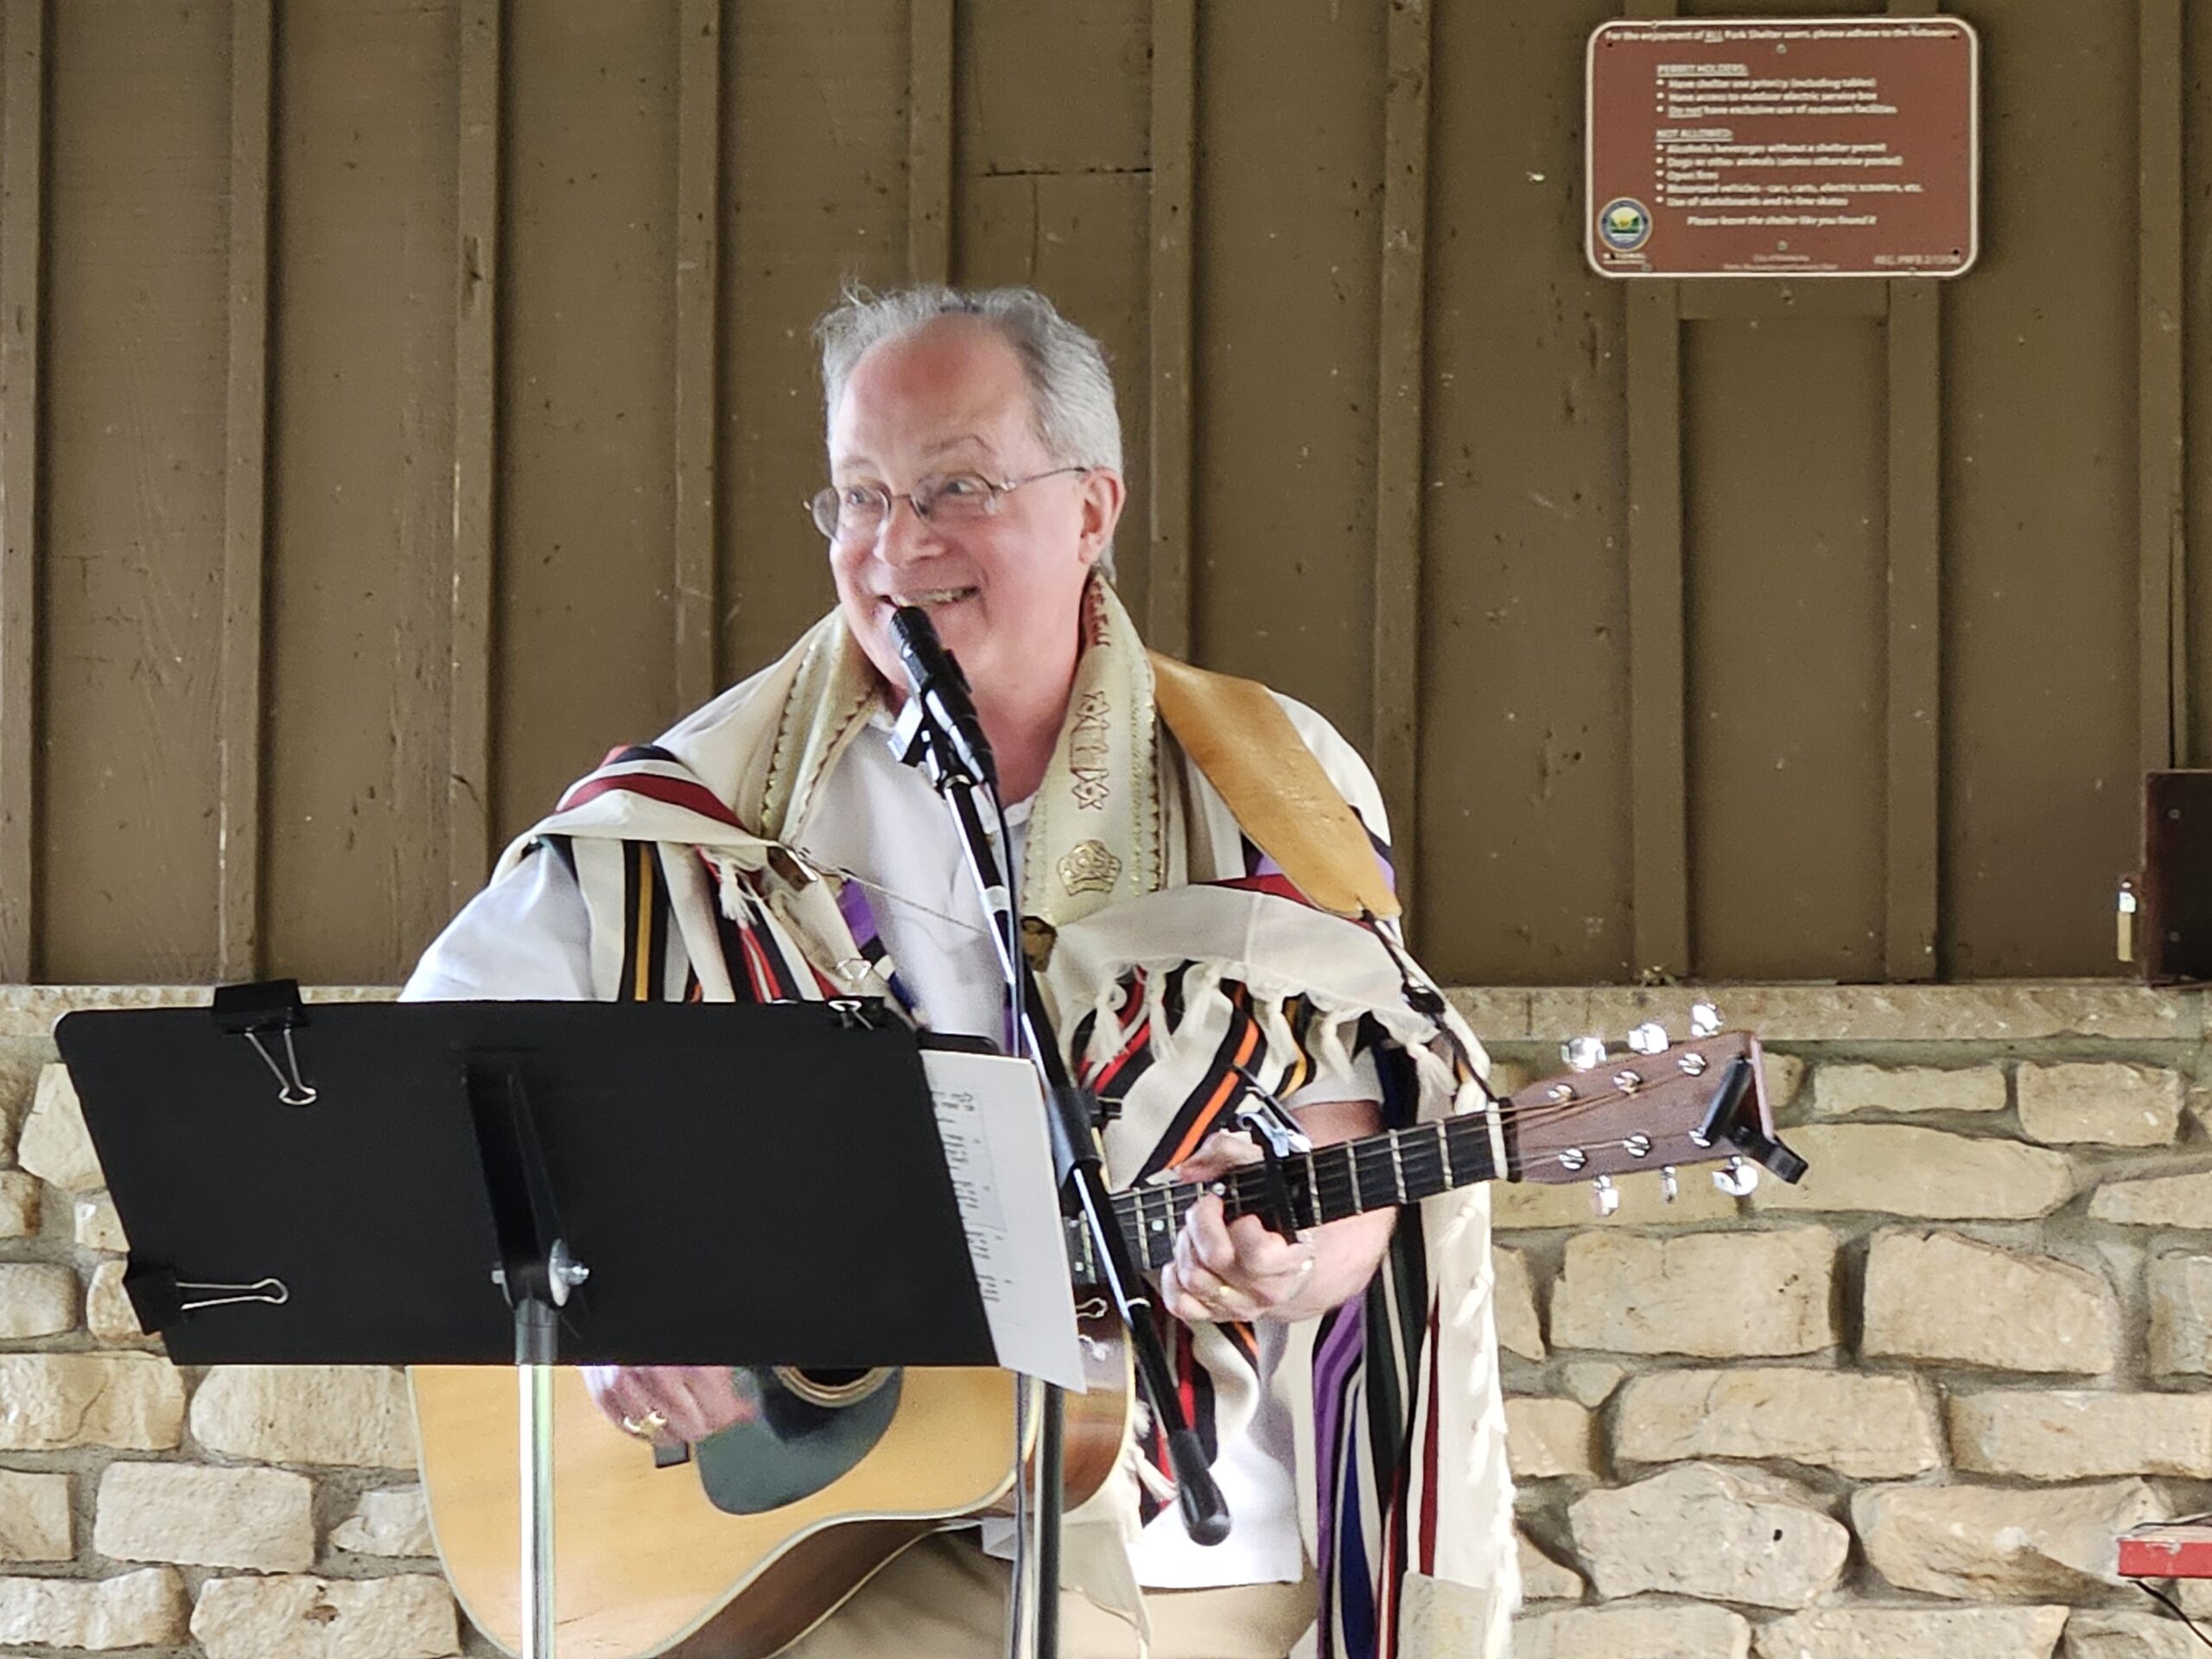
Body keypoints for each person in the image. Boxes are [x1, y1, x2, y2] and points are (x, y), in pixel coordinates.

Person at [404, 286, 1516, 1659]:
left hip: (1183, 1533)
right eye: (860, 495)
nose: (898, 544)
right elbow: (429, 1100)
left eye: (957, 488)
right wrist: (607, 1300)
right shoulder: (689, 816)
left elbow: (1359, 1122)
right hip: (813, 1535)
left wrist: (1289, 1259)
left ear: (1094, 508)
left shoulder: (1271, 779)